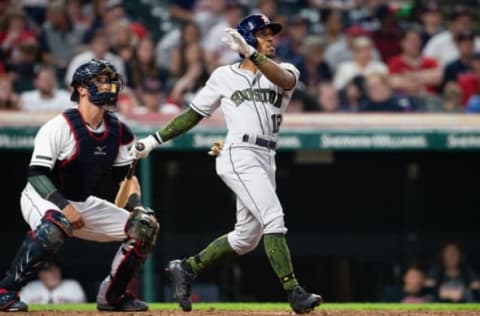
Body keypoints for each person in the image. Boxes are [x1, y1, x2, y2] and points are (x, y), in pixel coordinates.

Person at [130, 13, 322, 314]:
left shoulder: (285, 70)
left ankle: (187, 268)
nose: (271, 38)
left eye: (272, 34)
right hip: (239, 152)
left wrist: (251, 53)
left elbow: (283, 80)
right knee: (274, 219)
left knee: (246, 238)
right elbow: (193, 114)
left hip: (267, 155)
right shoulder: (223, 76)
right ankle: (294, 292)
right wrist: (154, 140)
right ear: (247, 39)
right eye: (262, 34)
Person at [0, 59, 159, 312]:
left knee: (144, 227)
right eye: (100, 80)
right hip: (43, 196)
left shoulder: (119, 131)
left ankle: (113, 297)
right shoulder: (58, 126)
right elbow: (36, 175)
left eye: (109, 80)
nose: (107, 86)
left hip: (81, 201)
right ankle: (6, 291)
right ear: (82, 89)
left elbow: (125, 179)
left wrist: (137, 206)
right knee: (54, 226)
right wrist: (64, 207)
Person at [19, 262, 86, 304]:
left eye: (55, 270)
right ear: (40, 274)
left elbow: (84, 309)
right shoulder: (29, 288)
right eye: (48, 271)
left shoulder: (73, 286)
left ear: (60, 271)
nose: (53, 274)